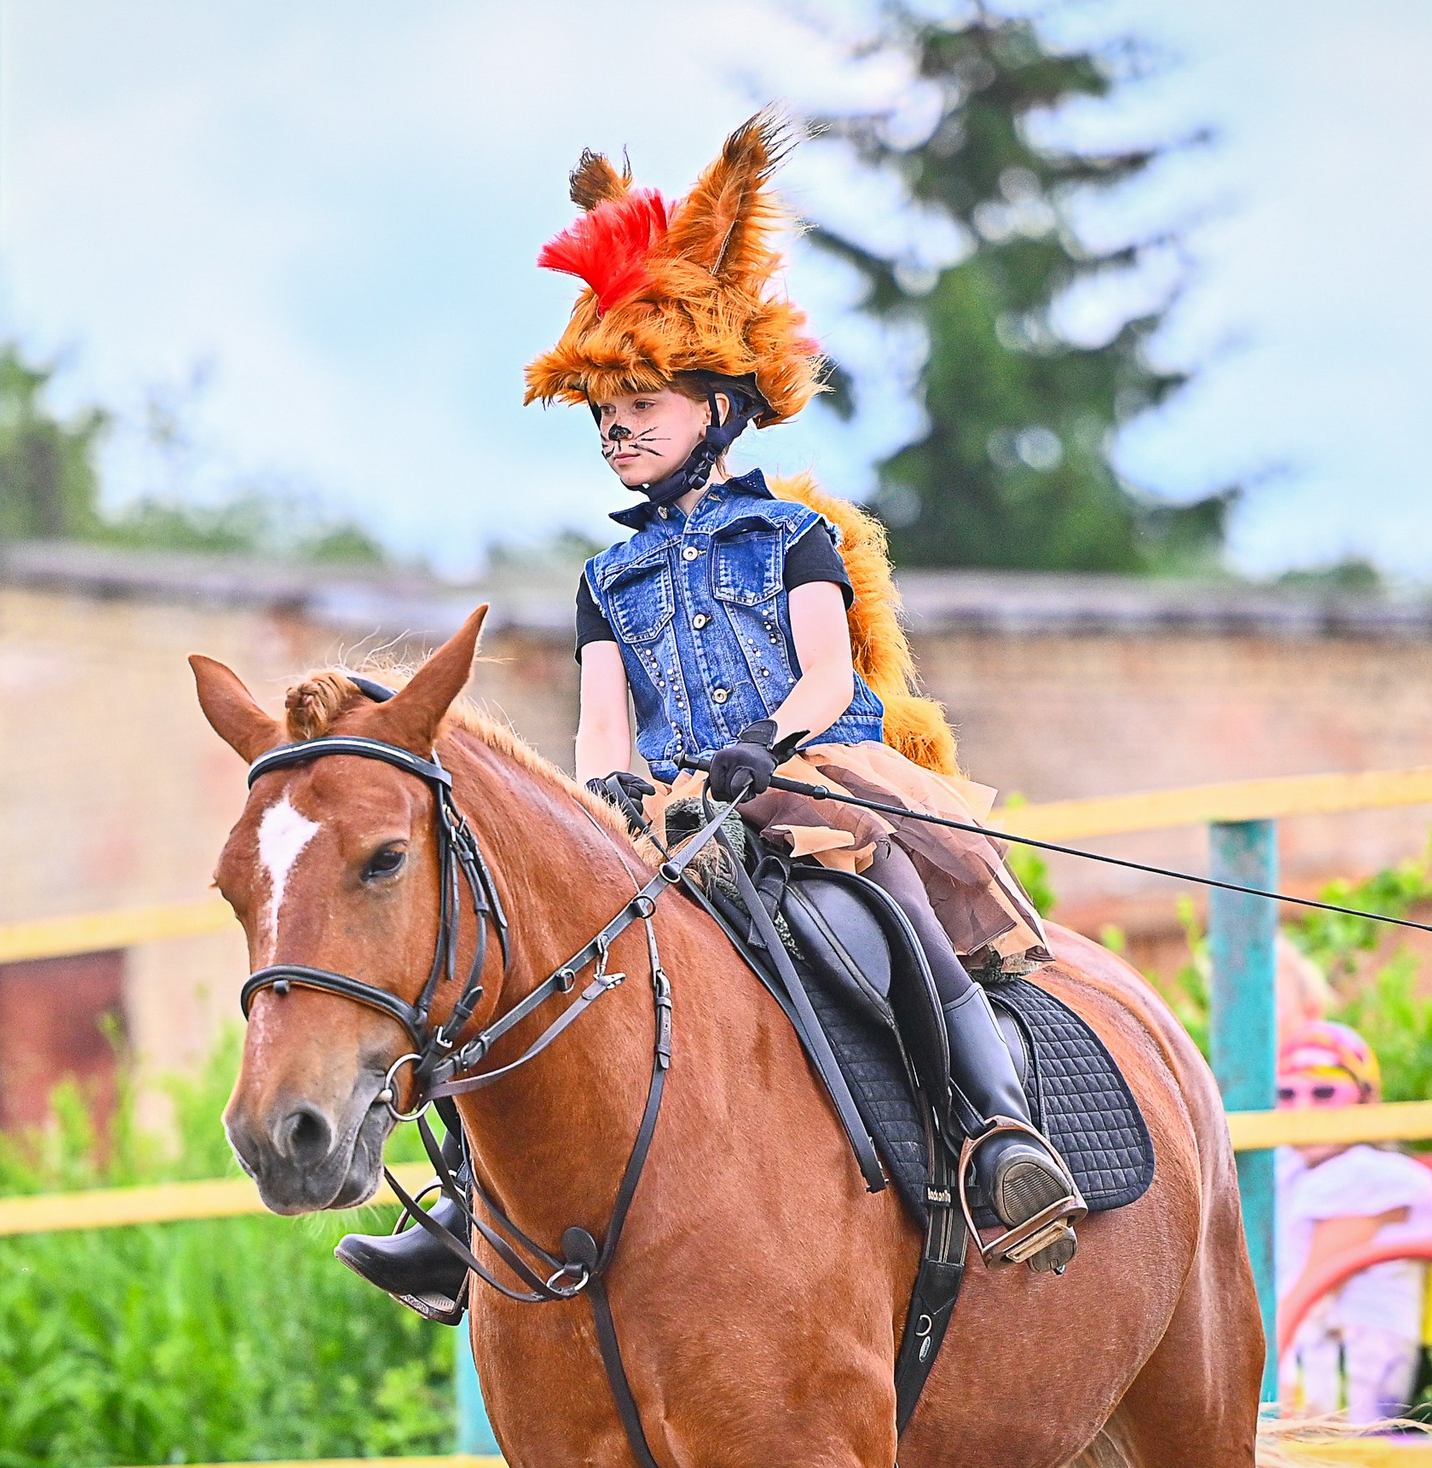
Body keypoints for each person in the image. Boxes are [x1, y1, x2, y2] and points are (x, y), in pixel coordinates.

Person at [338, 114, 1083, 1323]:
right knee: (529, 975)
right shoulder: (607, 579)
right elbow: (598, 720)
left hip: (805, 786)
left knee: (875, 921)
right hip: (670, 817)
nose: (616, 429)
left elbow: (828, 681)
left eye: (641, 402)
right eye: (602, 414)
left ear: (722, 405)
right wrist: (611, 792)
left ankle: (994, 1135)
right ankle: (470, 1213)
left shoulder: (796, 536)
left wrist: (765, 749)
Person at [1272, 1021, 1432, 1425]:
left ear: (1365, 1100)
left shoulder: (1374, 1177)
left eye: (1325, 1093)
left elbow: (1313, 1288)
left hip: (1349, 1365)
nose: (1303, 1110)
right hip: (1304, 1351)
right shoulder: (1290, 1172)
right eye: (1286, 1094)